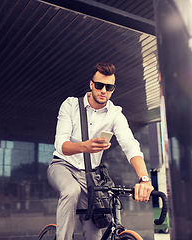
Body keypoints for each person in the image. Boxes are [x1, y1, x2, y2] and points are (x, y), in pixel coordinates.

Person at [47, 62, 154, 240]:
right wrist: (84, 146)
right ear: (91, 84)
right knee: (71, 191)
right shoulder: (71, 105)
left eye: (109, 87)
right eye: (99, 85)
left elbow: (130, 144)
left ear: (113, 89)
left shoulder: (115, 114)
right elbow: (60, 144)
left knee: (95, 229)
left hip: (90, 176)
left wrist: (144, 179)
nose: (103, 90)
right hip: (62, 166)